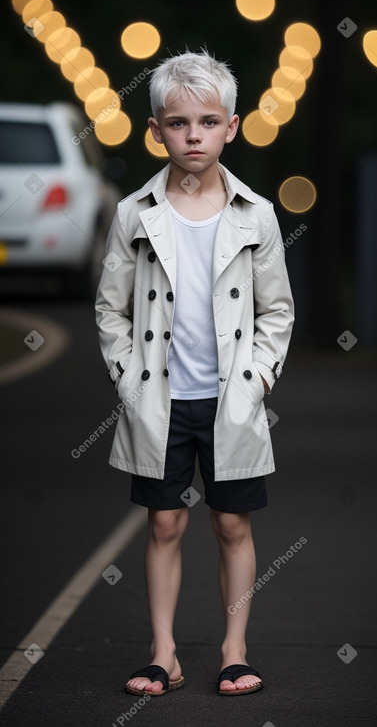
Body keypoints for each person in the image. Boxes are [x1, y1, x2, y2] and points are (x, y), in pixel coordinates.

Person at [95, 47, 294, 697]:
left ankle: (234, 650)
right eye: (178, 123)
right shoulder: (135, 214)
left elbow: (276, 311)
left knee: (231, 523)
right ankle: (164, 654)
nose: (193, 136)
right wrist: (128, 377)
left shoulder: (255, 214)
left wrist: (257, 379)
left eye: (208, 122)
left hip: (229, 400)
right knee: (164, 523)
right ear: (155, 129)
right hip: (162, 397)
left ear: (231, 127)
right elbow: (110, 306)